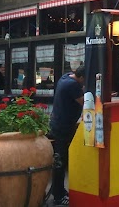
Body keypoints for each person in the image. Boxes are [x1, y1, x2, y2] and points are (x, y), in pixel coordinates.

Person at [49, 65, 86, 206]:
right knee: (60, 161)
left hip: (58, 123)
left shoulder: (66, 77)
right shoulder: (72, 86)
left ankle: (61, 191)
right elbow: (85, 102)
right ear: (81, 77)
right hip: (63, 127)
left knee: (61, 160)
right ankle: (58, 196)